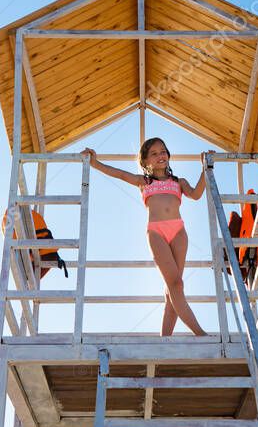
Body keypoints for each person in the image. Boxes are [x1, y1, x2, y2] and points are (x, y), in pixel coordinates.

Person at [80, 138, 207, 336]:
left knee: (173, 289)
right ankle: (200, 334)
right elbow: (120, 174)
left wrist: (205, 169)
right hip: (156, 232)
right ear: (146, 161)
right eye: (154, 154)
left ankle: (165, 340)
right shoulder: (144, 182)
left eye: (163, 151)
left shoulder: (178, 182)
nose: (160, 156)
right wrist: (95, 163)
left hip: (179, 232)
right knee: (176, 284)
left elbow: (197, 194)